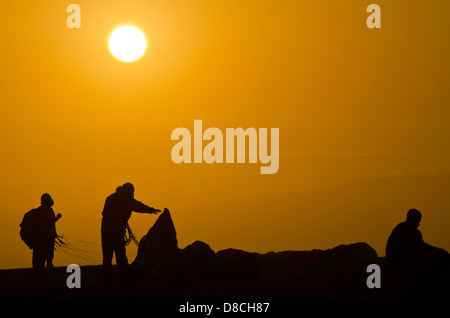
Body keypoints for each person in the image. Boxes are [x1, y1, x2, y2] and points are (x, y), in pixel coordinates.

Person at [101, 182, 161, 282]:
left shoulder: (122, 200)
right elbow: (105, 214)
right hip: (110, 232)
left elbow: (139, 206)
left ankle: (114, 277)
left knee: (114, 255)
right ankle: (114, 277)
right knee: (112, 255)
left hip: (113, 231)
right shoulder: (116, 199)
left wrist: (151, 210)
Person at [386, 209, 450, 282]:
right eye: (418, 221)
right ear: (412, 219)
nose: (418, 224)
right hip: (404, 264)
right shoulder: (410, 232)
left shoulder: (401, 228)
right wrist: (439, 252)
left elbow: (421, 246)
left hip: (399, 263)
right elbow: (421, 247)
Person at [21, 193, 62, 274]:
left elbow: (51, 224)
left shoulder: (47, 210)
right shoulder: (42, 211)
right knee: (45, 255)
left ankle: (43, 270)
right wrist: (57, 218)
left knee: (46, 255)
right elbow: (48, 223)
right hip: (43, 239)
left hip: (46, 237)